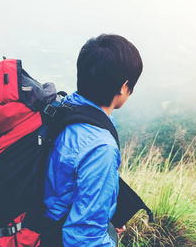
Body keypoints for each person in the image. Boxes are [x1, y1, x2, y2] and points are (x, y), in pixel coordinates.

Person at [42, 34, 143, 246]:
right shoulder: (100, 148)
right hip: (56, 234)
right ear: (124, 87)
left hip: (44, 216)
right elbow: (85, 238)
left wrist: (105, 213)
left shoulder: (65, 107)